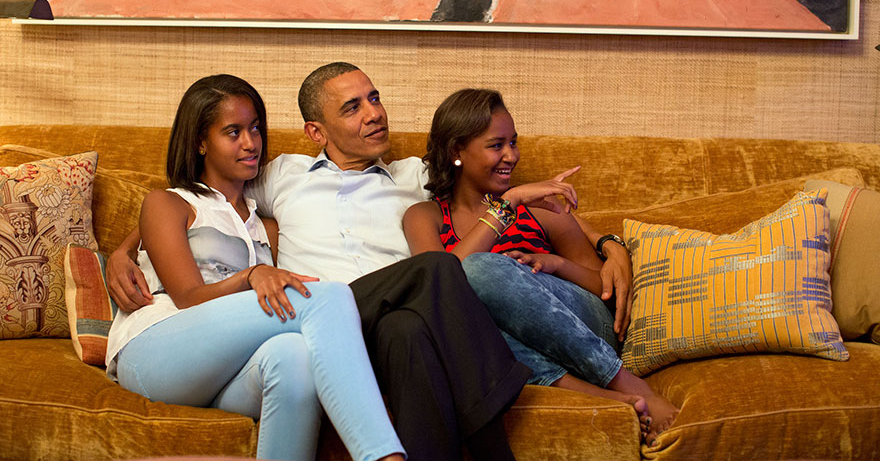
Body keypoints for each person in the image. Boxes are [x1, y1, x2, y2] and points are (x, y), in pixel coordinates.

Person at [108, 64, 538, 461]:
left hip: (375, 327)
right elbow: (187, 202)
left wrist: (606, 243)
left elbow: (486, 173)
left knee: (404, 328)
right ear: (316, 131)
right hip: (318, 313)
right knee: (429, 269)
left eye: (375, 98)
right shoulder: (280, 175)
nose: (374, 114)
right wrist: (123, 252)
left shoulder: (414, 177)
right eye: (353, 107)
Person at [105, 74, 405, 461]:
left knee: (294, 355)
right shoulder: (170, 202)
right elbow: (189, 299)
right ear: (200, 142)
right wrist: (249, 275)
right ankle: (383, 456)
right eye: (233, 132)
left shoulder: (265, 224)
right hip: (155, 351)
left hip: (223, 368)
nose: (251, 143)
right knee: (325, 298)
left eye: (255, 128)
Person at [402, 88, 679, 445]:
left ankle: (625, 381)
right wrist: (507, 205)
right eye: (496, 145)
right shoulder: (424, 216)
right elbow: (440, 287)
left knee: (483, 270)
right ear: (457, 151)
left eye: (513, 143)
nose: (511, 156)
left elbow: (601, 290)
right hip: (502, 345)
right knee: (456, 318)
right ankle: (602, 397)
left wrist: (557, 264)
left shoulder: (541, 208)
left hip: (584, 329)